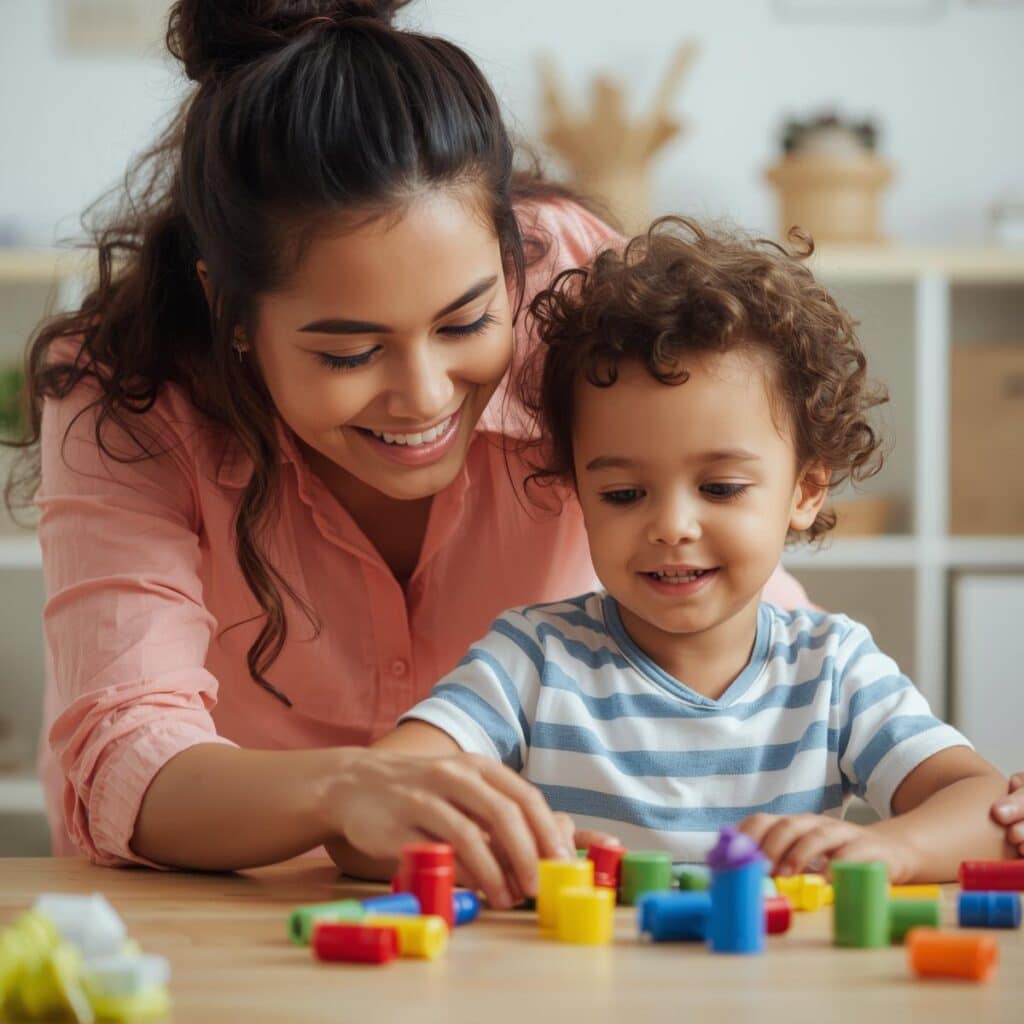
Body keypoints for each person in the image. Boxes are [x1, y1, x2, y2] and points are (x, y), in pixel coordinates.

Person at [2, 0, 811, 907]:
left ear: (513, 257)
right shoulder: (126, 392)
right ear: (229, 311)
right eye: (347, 352)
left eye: (466, 321)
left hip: (517, 905)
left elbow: (719, 528)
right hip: (232, 901)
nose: (424, 396)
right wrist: (348, 791)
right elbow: (124, 755)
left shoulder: (579, 294)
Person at [377, 217, 1010, 880]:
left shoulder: (833, 670)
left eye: (720, 486)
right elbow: (376, 800)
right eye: (624, 494)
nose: (672, 526)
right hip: (575, 983)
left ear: (806, 489)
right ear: (578, 494)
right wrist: (492, 841)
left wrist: (889, 849)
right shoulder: (532, 662)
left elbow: (985, 809)